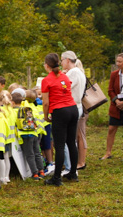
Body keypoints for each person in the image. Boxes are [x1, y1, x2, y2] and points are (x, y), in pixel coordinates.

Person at [41, 53, 79, 186]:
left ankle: (56, 178)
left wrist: (46, 116)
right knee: (71, 142)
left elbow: (45, 102)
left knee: (59, 145)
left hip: (60, 111)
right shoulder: (64, 76)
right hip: (73, 109)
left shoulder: (46, 80)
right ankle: (73, 173)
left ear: (47, 65)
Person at [101, 53, 123, 160]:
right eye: (117, 61)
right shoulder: (114, 74)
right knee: (111, 128)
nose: (117, 64)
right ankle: (108, 152)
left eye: (120, 62)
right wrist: (116, 101)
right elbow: (110, 90)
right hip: (115, 105)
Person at [61, 51, 87, 171]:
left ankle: (69, 165)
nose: (61, 63)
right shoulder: (78, 72)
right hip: (76, 105)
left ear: (67, 60)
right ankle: (71, 164)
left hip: (72, 105)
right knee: (71, 138)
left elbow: (64, 88)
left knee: (68, 139)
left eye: (61, 60)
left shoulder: (73, 72)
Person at [11, 89, 45, 180]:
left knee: (30, 155)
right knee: (37, 153)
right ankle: (41, 171)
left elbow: (14, 125)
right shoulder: (27, 108)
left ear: (12, 102)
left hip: (25, 136)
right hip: (34, 133)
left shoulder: (13, 112)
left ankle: (34, 173)